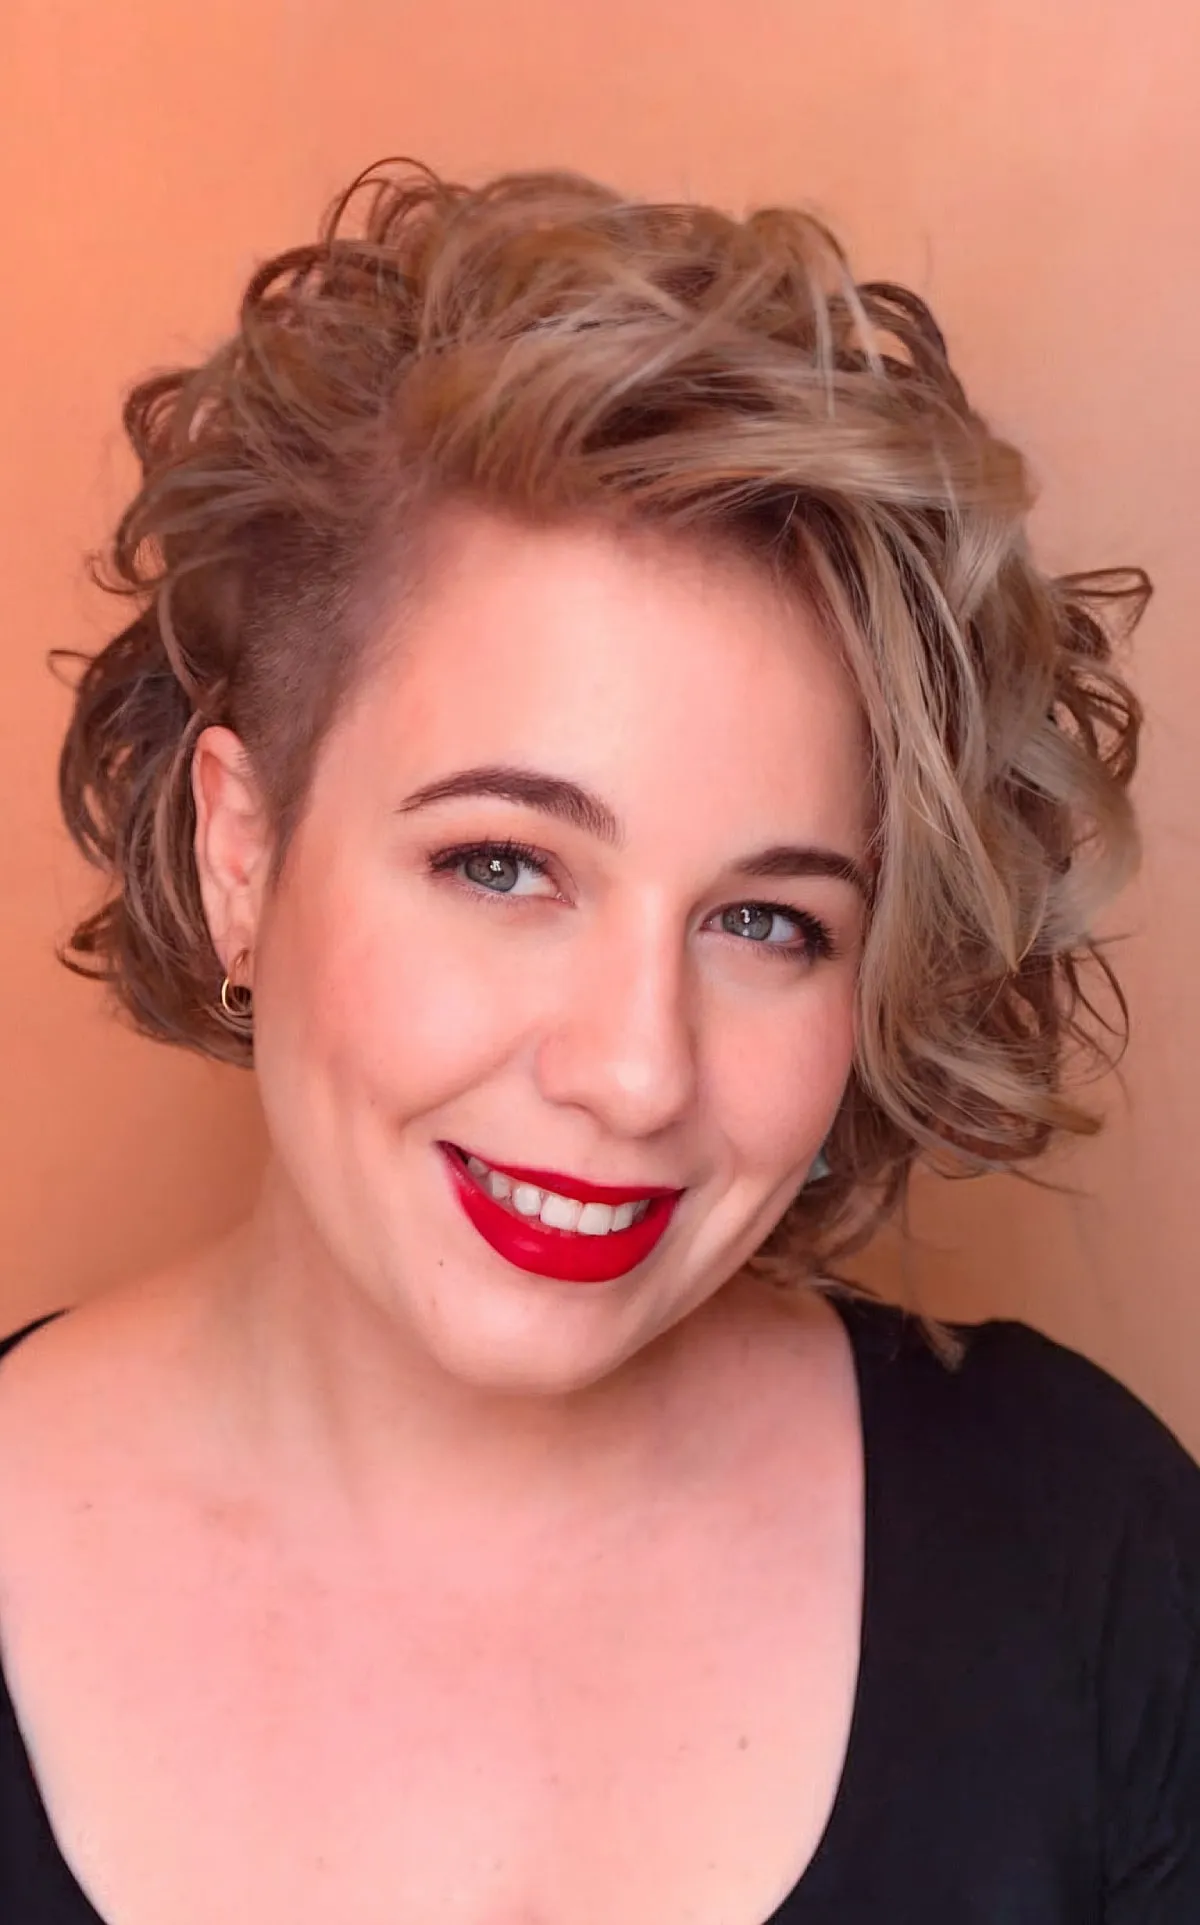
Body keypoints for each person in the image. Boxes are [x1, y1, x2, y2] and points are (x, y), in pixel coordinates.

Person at [0, 158, 1193, 1924]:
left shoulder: (1092, 1557)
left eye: (767, 922)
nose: (637, 1073)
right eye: (502, 865)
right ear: (241, 851)